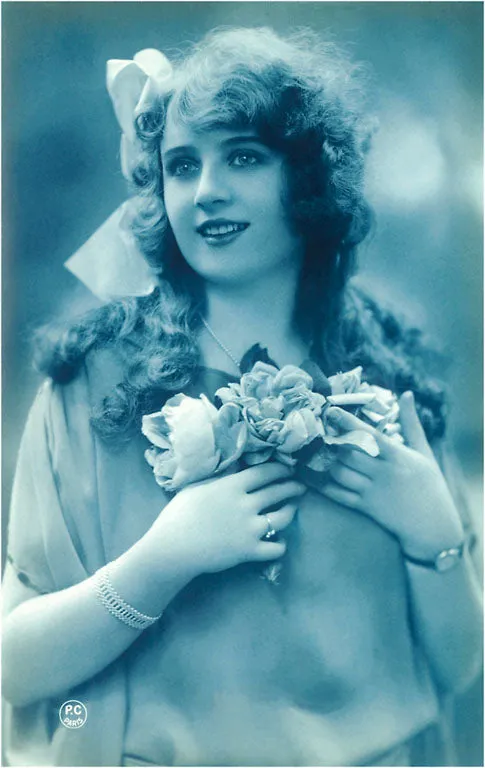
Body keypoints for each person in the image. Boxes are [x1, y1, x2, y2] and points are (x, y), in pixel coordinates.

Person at [2, 27, 482, 768]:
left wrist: (435, 537)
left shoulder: (389, 383)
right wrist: (163, 559)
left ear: (307, 177)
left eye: (244, 157)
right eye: (181, 165)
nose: (207, 191)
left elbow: (457, 672)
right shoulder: (91, 388)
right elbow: (16, 669)